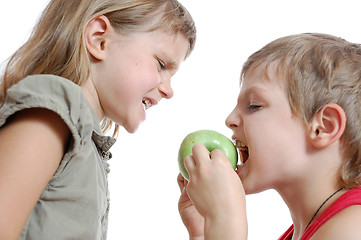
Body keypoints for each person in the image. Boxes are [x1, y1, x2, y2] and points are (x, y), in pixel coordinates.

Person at [0, 0, 196, 239]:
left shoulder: (84, 144)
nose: (169, 90)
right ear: (99, 39)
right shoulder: (57, 109)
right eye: (161, 64)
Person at [177, 33, 361, 240]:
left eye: (254, 105)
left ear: (323, 127)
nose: (230, 119)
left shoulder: (352, 228)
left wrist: (225, 220)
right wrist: (203, 232)